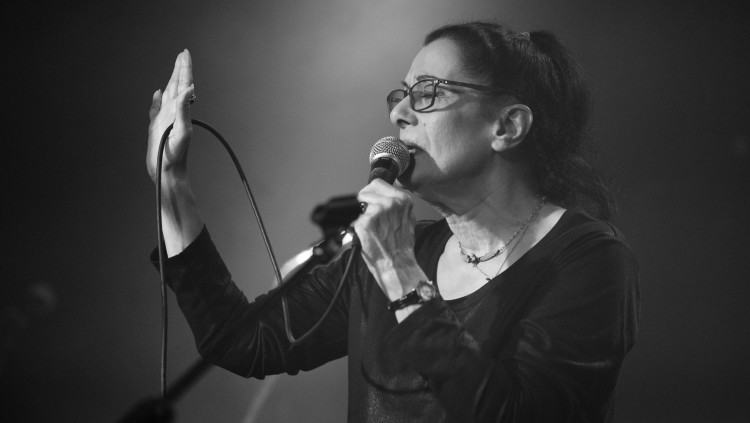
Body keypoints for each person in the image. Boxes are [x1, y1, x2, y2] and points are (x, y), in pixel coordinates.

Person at [146, 21, 639, 423]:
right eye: (400, 94)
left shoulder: (587, 257)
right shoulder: (391, 252)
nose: (399, 112)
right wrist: (173, 184)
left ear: (507, 126)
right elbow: (244, 341)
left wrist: (401, 273)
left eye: (427, 92)